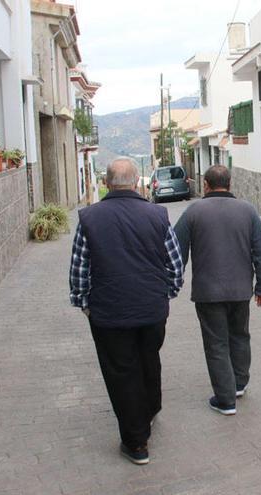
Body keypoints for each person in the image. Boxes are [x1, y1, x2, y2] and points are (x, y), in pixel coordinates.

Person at [68, 157, 183, 465]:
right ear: (136, 183)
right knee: (148, 358)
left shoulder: (90, 218)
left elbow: (80, 268)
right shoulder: (157, 215)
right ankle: (149, 410)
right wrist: (166, 294)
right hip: (152, 309)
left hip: (109, 313)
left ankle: (136, 443)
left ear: (106, 183)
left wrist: (84, 304)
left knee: (122, 372)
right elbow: (174, 263)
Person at [174, 165, 261, 416]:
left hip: (208, 293)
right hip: (241, 291)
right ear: (229, 184)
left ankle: (226, 399)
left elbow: (176, 253)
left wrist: (171, 283)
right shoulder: (248, 211)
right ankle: (239, 384)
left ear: (205, 184)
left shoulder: (193, 212)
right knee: (240, 336)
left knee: (216, 343)